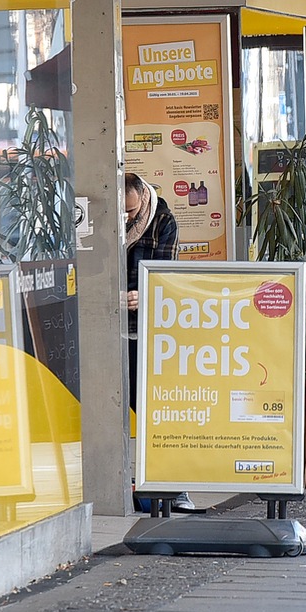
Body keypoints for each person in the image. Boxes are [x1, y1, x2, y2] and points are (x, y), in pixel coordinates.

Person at [123, 172, 198, 512]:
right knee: (117, 407)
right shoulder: (102, 218)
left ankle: (170, 486)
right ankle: (126, 481)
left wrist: (145, 294)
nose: (126, 218)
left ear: (143, 198)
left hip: (148, 329)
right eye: (121, 211)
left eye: (131, 211)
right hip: (107, 328)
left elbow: (167, 275)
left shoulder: (163, 220)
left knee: (151, 405)